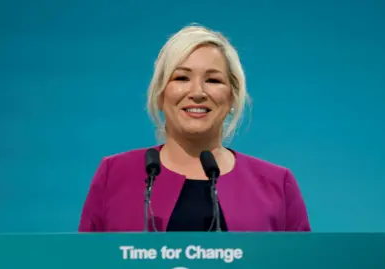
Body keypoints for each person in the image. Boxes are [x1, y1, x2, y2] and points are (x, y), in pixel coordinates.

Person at [78, 24, 311, 232]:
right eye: (181, 78)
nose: (198, 92)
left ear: (232, 98)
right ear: (160, 95)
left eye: (213, 80)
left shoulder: (277, 184)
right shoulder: (114, 174)